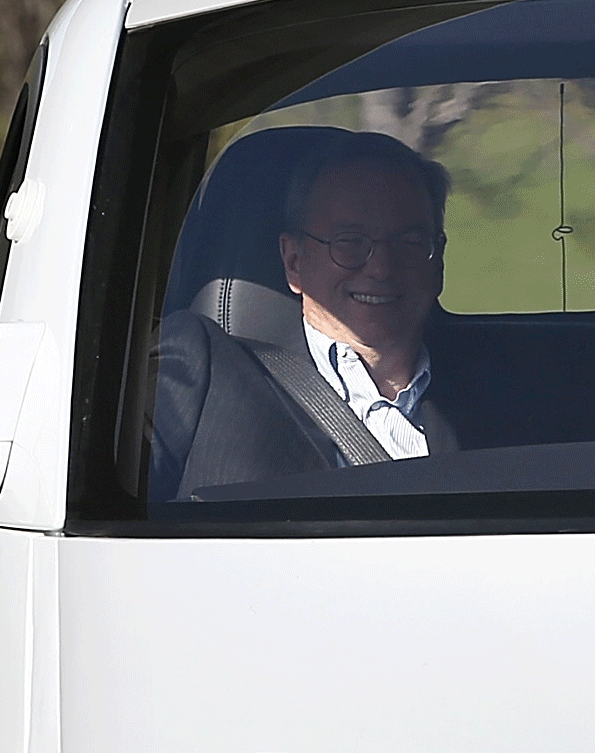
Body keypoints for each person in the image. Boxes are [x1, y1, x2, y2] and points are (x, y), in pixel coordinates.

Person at [148, 129, 461, 497]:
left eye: (408, 242)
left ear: (438, 260)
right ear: (293, 261)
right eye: (350, 242)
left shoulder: (503, 388)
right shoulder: (202, 367)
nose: (382, 268)